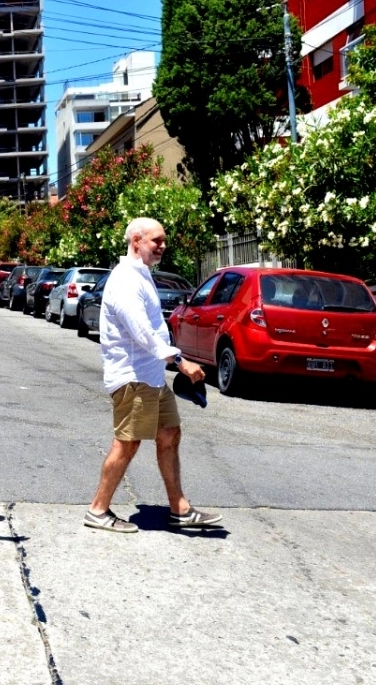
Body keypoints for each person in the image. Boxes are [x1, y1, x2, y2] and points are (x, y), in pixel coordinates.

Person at [85, 217, 223, 533]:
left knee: (170, 433)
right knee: (128, 443)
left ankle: (180, 509)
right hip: (132, 377)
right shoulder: (125, 281)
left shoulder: (142, 275)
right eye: (156, 240)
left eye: (163, 240)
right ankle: (98, 509)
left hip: (151, 376)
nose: (162, 245)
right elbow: (142, 333)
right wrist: (180, 361)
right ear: (136, 240)